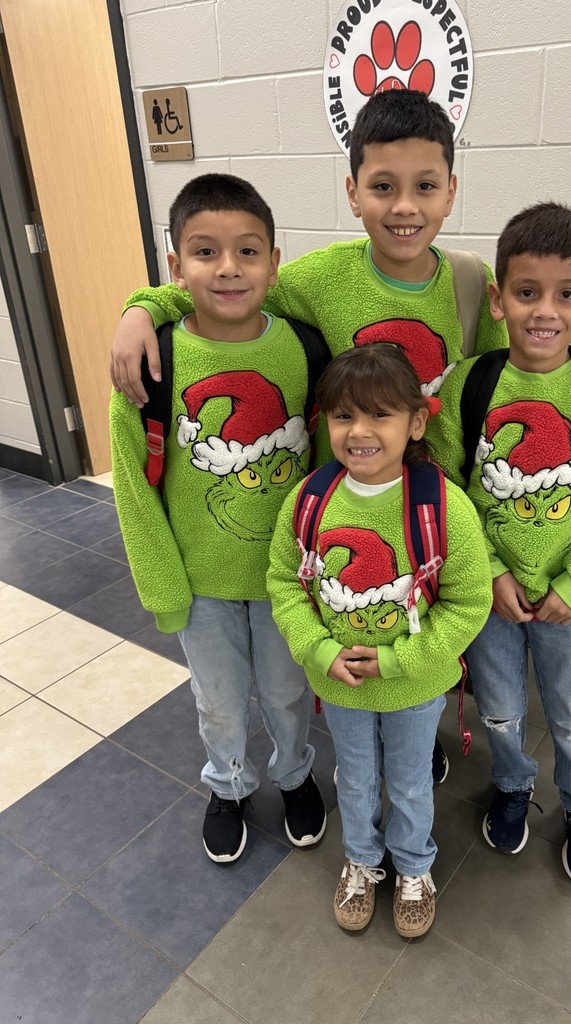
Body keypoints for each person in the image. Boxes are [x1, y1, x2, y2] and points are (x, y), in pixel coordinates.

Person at [109, 87, 508, 784]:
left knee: (424, 631)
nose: (404, 207)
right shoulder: (320, 280)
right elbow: (229, 289)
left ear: (450, 192)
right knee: (345, 636)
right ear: (353, 193)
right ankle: (271, 772)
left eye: (424, 186)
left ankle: (415, 724)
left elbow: (493, 400)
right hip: (340, 510)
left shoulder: (473, 285)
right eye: (383, 186)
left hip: (431, 515)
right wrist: (143, 307)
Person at [429, 202, 571, 885]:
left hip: (569, 600)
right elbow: (445, 488)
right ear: (498, 299)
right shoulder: (472, 384)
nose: (545, 311)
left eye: (566, 295)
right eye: (527, 293)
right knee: (499, 707)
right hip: (491, 597)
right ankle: (511, 786)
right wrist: (492, 569)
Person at [110, 173, 326, 865]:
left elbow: (328, 471)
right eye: (205, 252)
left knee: (289, 695)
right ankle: (229, 784)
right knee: (219, 702)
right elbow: (134, 492)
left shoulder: (305, 347)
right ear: (176, 266)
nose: (228, 268)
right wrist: (163, 588)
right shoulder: (153, 359)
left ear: (275, 260)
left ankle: (294, 775)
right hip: (200, 581)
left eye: (248, 251)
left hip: (287, 580)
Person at [267, 344, 492, 937]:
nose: (359, 432)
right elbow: (284, 581)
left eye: (379, 416)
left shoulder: (443, 507)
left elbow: (469, 602)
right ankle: (362, 861)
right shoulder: (310, 501)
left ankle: (414, 867)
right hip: (339, 684)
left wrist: (400, 660)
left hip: (414, 686)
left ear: (416, 423)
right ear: (326, 423)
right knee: (357, 776)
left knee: (413, 779)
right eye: (343, 416)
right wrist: (319, 650)